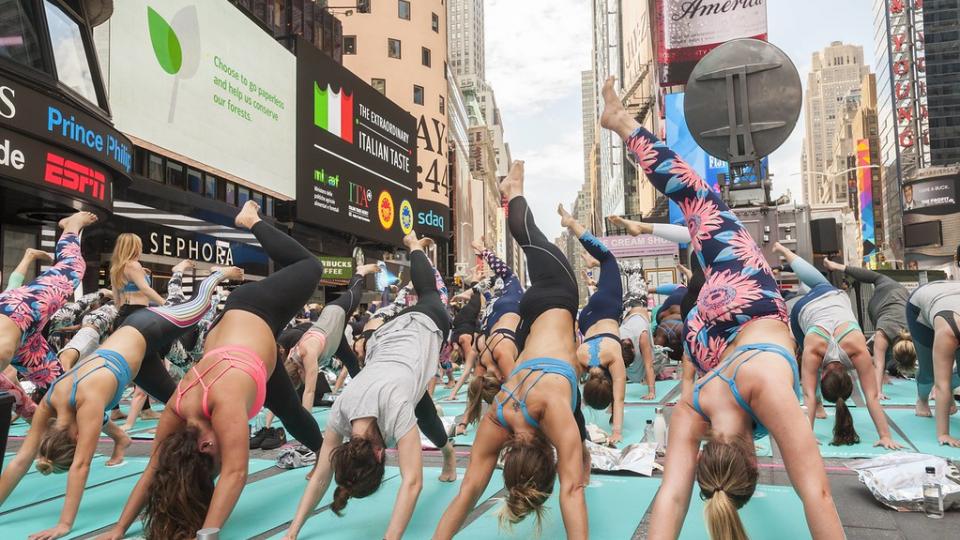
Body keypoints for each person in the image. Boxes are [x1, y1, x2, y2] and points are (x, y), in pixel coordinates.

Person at [599, 76, 842, 539]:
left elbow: (818, 495)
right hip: (705, 345)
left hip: (747, 305)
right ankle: (626, 128)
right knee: (697, 226)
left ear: (753, 460)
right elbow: (671, 499)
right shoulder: (693, 410)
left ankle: (625, 125)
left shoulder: (768, 393)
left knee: (697, 199)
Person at [102, 201, 326, 539]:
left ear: (207, 445)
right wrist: (118, 529)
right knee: (290, 410)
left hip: (256, 308)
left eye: (213, 463)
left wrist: (208, 534)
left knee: (310, 265)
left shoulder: (223, 404)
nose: (224, 453)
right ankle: (326, 454)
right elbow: (154, 470)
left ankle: (251, 220)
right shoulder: (182, 415)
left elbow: (236, 473)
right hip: (245, 351)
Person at [0, 266, 239, 540]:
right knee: (181, 409)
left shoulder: (88, 403)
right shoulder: (49, 403)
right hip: (140, 364)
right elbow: (22, 459)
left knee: (200, 303)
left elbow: (81, 466)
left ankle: (217, 274)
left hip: (147, 327)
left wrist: (64, 525)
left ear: (75, 436)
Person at [434, 161, 590, 539]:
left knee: (529, 236)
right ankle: (513, 193)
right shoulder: (499, 414)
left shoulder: (551, 412)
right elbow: (468, 491)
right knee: (529, 242)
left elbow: (570, 490)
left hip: (554, 302)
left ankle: (514, 191)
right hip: (534, 319)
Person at [283, 232, 457, 540]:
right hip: (387, 340)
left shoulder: (392, 407)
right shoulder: (343, 408)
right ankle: (447, 453)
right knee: (425, 409)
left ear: (380, 454)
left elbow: (412, 482)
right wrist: (292, 532)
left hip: (422, 326)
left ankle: (415, 247)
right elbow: (322, 475)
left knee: (429, 293)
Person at [772, 243, 901, 449]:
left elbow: (871, 396)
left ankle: (785, 252)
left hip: (828, 296)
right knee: (804, 360)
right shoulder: (816, 350)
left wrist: (807, 433)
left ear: (850, 377)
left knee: (816, 283)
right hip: (803, 312)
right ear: (824, 375)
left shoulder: (856, 349)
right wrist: (885, 436)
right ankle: (785, 253)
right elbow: (871, 396)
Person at [558, 205, 630, 445]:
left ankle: (572, 224)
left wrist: (617, 432)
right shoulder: (581, 358)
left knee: (608, 258)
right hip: (586, 320)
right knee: (603, 264)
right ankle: (591, 266)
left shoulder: (613, 356)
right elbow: (569, 396)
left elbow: (619, 399)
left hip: (607, 309)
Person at [0, 212, 97, 388]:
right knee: (61, 388)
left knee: (73, 266)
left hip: (20, 311)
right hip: (22, 342)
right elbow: (16, 395)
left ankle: (71, 226)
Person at [822, 259, 917, 404]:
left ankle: (838, 266)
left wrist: (879, 391)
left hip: (895, 297)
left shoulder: (912, 332)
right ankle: (837, 265)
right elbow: (878, 364)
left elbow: (879, 363)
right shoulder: (885, 333)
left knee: (875, 277)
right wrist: (877, 392)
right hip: (881, 306)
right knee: (881, 352)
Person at [461, 245, 525, 431]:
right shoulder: (483, 362)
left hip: (509, 307)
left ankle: (483, 250)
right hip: (491, 317)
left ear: (499, 378)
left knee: (508, 275)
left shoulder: (500, 355)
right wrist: (463, 422)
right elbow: (473, 395)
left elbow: (517, 390)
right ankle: (473, 289)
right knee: (495, 287)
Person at [906, 280, 960, 446]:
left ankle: (949, 394)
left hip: (951, 297)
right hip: (922, 305)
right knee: (931, 374)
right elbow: (941, 384)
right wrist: (944, 434)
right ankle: (921, 400)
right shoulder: (948, 332)